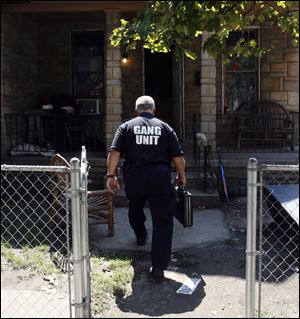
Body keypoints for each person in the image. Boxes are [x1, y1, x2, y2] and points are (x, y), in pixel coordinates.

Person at [106, 95, 186, 283]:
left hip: (134, 175)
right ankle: (158, 267)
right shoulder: (165, 128)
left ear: (137, 110)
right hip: (159, 175)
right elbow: (178, 157)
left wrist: (111, 176)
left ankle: (140, 235)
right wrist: (181, 176)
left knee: (135, 206)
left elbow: (114, 152)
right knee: (163, 221)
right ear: (153, 110)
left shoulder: (126, 127)